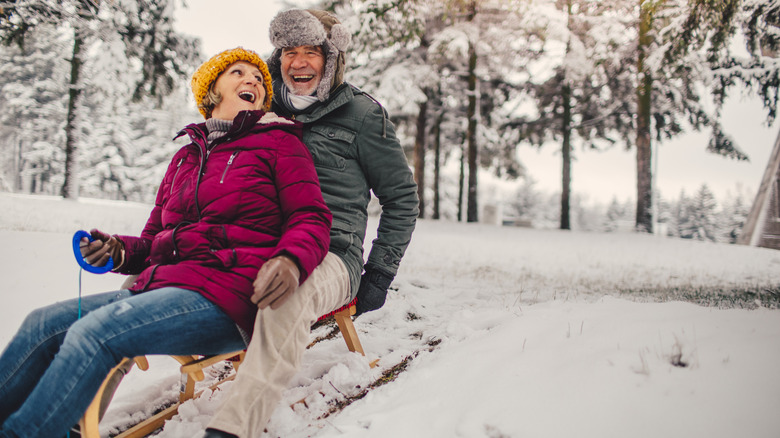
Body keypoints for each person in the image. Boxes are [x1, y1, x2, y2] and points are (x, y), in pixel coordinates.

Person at [0, 47, 332, 438]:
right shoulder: (185, 158)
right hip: (165, 286)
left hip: (230, 292)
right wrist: (118, 250)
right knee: (42, 323)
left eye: (259, 79)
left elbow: (310, 217)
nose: (253, 82)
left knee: (98, 331)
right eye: (238, 73)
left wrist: (291, 260)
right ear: (211, 92)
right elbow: (153, 239)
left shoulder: (279, 143)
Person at [203, 9, 419, 438]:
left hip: (330, 255)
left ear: (331, 58)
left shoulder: (362, 115)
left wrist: (379, 272)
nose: (298, 63)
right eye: (289, 52)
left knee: (287, 291)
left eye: (310, 53)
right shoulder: (260, 105)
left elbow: (401, 198)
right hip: (259, 241)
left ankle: (231, 428)